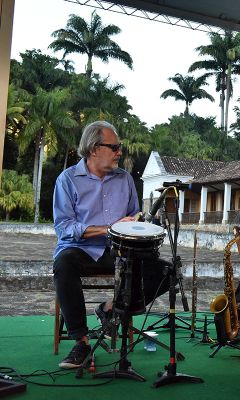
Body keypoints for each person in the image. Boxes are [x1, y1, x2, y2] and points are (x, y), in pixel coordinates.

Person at [53, 121, 169, 369]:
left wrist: (139, 223)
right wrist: (109, 228)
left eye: (119, 147)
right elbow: (64, 227)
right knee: (63, 264)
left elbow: (134, 215)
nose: (119, 152)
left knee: (165, 272)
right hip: (81, 249)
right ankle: (81, 344)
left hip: (119, 250)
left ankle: (110, 311)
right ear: (94, 148)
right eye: (114, 147)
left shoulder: (124, 179)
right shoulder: (68, 179)